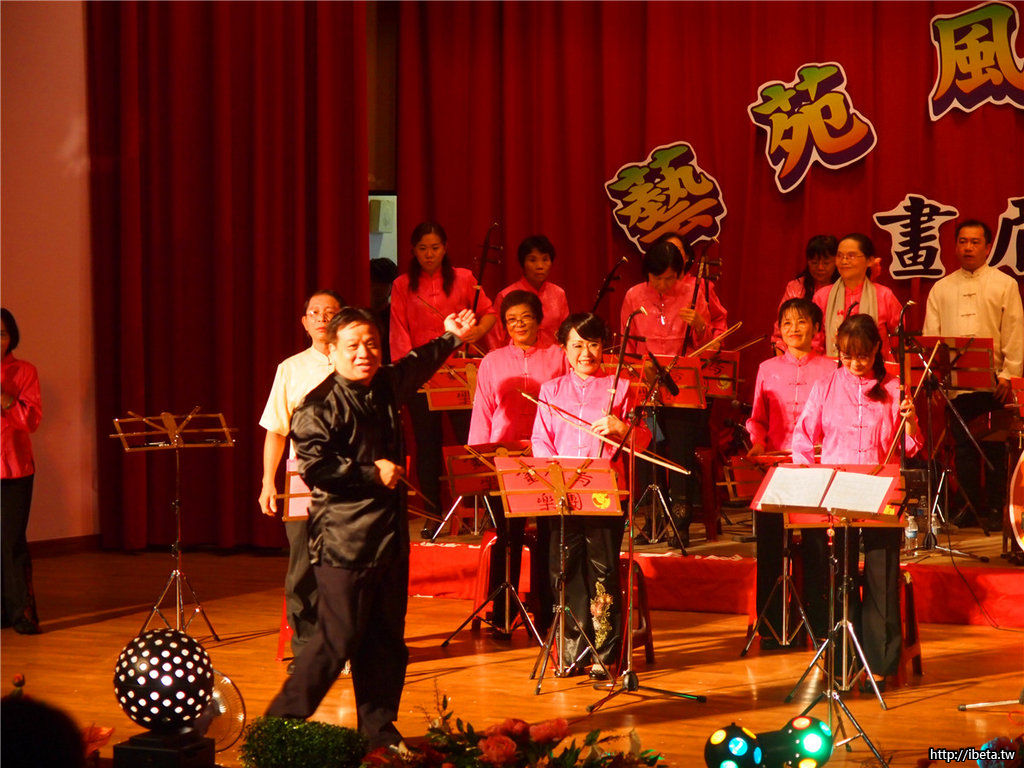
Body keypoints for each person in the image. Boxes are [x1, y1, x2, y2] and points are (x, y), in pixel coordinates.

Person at [266, 305, 479, 749]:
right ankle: (278, 726)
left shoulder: (383, 384)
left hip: (390, 539)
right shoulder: (317, 406)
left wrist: (452, 337)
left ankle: (378, 732)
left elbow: (415, 365)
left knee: (385, 641)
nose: (365, 353)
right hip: (344, 543)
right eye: (353, 346)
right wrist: (370, 472)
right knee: (336, 639)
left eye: (372, 344)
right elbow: (316, 469)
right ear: (331, 350)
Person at [792, 314, 922, 688]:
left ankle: (880, 663)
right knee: (839, 576)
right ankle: (844, 658)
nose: (855, 363)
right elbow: (802, 439)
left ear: (877, 349)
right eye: (848, 356)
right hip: (840, 492)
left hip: (882, 492)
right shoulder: (826, 386)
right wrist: (811, 481)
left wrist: (911, 421)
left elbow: (911, 447)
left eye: (863, 355)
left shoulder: (894, 388)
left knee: (882, 575)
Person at [531, 313, 651, 679]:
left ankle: (603, 652)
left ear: (604, 347)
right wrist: (556, 477)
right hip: (564, 492)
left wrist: (622, 428)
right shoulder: (550, 390)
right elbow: (540, 440)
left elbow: (645, 440)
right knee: (564, 568)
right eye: (578, 345)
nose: (586, 353)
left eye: (594, 344)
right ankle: (572, 650)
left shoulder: (623, 387)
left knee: (603, 569)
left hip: (605, 492)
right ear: (564, 349)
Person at [469, 291, 567, 634]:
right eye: (511, 319)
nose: (519, 324)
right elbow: (482, 412)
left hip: (547, 458)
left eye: (525, 317)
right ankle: (502, 613)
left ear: (539, 319)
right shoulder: (492, 361)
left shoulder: (559, 356)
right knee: (506, 536)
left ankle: (547, 610)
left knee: (548, 536)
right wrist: (479, 460)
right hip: (504, 459)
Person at [619, 235, 727, 546]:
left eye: (670, 278)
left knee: (680, 455)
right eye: (657, 278)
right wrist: (637, 375)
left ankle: (680, 519)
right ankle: (653, 518)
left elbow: (709, 347)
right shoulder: (634, 295)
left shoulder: (693, 293)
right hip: (647, 387)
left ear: (680, 274)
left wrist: (701, 325)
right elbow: (629, 346)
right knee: (647, 449)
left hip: (683, 390)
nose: (663, 285)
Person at [258, 290, 343, 672]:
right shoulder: (290, 368)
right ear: (305, 322)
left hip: (350, 476)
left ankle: (347, 646)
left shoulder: (357, 361)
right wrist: (268, 482)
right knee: (303, 567)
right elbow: (276, 430)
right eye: (315, 312)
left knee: (348, 566)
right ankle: (308, 649)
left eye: (330, 312)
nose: (322, 318)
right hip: (302, 477)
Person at [390, 222, 497, 521]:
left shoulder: (464, 278)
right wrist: (407, 371)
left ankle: (480, 513)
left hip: (460, 372)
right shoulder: (402, 284)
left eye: (435, 248)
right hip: (422, 375)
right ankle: (433, 514)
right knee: (427, 445)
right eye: (423, 248)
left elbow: (489, 313)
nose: (429, 254)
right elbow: (398, 330)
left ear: (445, 248)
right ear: (413, 250)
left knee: (468, 441)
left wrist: (476, 333)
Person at [923, 219, 1024, 531]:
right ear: (955, 246)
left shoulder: (1004, 284)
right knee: (964, 449)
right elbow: (931, 335)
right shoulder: (941, 288)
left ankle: (995, 507)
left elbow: (1015, 332)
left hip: (995, 384)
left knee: (995, 447)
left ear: (988, 247)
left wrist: (1008, 375)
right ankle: (969, 508)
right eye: (963, 241)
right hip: (956, 384)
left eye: (975, 242)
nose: (968, 248)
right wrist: (935, 376)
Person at [746, 299, 835, 647]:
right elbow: (757, 419)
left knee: (816, 546)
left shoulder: (832, 367)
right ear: (778, 330)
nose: (793, 329)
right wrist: (757, 442)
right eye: (786, 323)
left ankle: (819, 624)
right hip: (776, 469)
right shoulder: (767, 368)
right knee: (769, 545)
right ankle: (771, 627)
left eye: (801, 322)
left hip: (815, 469)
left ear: (816, 328)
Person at [1, 308, 42, 635]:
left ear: (11, 337)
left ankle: (22, 613)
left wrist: (4, 397)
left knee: (11, 541)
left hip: (14, 468)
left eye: (1, 334)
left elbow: (31, 421)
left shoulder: (24, 371)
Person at [812, 233, 902, 360]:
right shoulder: (822, 296)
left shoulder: (884, 295)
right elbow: (815, 341)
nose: (844, 261)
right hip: (832, 368)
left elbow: (899, 339)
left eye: (851, 256)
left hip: (876, 367)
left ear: (869, 260)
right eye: (840, 256)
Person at [486, 235, 569, 349]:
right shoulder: (506, 295)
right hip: (516, 357)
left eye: (545, 259)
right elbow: (495, 338)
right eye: (532, 260)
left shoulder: (558, 294)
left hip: (553, 356)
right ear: (523, 263)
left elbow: (566, 333)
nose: (540, 266)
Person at [770, 235, 839, 352]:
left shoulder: (842, 289)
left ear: (836, 262)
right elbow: (781, 330)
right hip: (798, 353)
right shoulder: (796, 287)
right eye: (814, 263)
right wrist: (780, 350)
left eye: (826, 263)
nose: (820, 267)